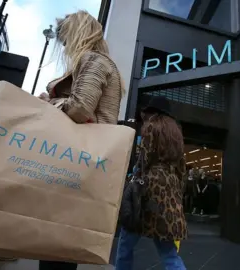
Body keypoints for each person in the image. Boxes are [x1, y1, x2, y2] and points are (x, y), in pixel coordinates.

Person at [37, 10, 124, 270]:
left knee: (57, 245)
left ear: (77, 33)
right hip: (84, 160)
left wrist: (47, 103)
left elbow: (80, 109)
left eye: (65, 38)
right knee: (63, 241)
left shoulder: (93, 60)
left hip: (74, 159)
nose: (63, 46)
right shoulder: (102, 62)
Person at [115, 96, 187, 270]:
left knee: (126, 243)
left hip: (146, 191)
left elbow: (144, 160)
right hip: (169, 191)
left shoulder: (150, 127)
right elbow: (181, 168)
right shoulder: (176, 133)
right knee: (168, 251)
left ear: (152, 112)